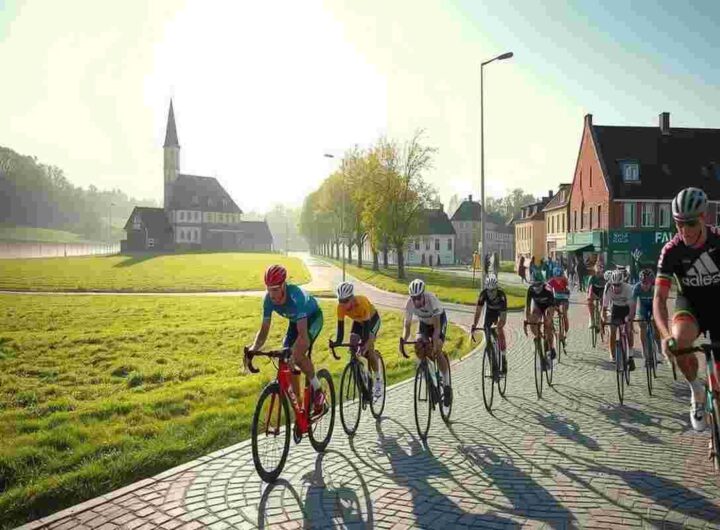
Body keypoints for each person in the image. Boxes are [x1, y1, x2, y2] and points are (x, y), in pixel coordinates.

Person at [655, 187, 720, 432]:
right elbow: (659, 299)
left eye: (690, 223)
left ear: (703, 217)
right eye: (678, 223)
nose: (684, 231)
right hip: (690, 305)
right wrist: (665, 335)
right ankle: (696, 390)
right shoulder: (671, 250)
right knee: (680, 341)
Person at [249, 265, 326, 414]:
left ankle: (318, 389)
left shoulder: (297, 297)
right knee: (284, 358)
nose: (272, 294)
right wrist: (253, 349)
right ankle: (299, 406)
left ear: (284, 285)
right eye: (269, 289)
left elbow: (303, 336)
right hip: (295, 321)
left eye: (276, 289)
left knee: (296, 355)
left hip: (312, 319)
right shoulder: (268, 300)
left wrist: (294, 352)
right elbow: (264, 329)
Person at [401, 278, 452, 406]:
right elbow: (406, 327)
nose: (416, 301)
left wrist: (435, 344)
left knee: (437, 350)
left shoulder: (432, 300)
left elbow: (436, 330)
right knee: (419, 346)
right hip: (423, 324)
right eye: (414, 298)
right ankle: (430, 380)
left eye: (419, 298)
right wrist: (403, 341)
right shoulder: (409, 304)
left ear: (423, 295)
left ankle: (446, 385)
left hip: (438, 322)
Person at [330, 282, 384, 398]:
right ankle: (360, 370)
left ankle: (378, 380)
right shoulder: (340, 308)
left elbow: (366, 331)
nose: (343, 304)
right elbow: (340, 330)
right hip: (358, 322)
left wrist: (364, 345)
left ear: (352, 298)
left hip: (371, 320)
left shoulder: (362, 302)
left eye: (345, 301)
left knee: (368, 348)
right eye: (340, 301)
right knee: (352, 342)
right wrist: (336, 343)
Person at [472, 274, 508, 373]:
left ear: (496, 288)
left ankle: (503, 357)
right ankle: (493, 364)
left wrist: (499, 324)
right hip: (489, 313)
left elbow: (503, 318)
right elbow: (478, 311)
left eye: (493, 290)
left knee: (500, 329)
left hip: (500, 312)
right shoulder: (483, 294)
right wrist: (474, 325)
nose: (490, 293)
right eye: (488, 290)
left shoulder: (501, 295)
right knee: (487, 339)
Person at [601, 269, 636, 367]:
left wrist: (630, 318)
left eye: (618, 285)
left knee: (628, 330)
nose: (616, 287)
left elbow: (632, 306)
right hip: (616, 309)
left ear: (622, 283)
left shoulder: (628, 288)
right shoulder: (608, 287)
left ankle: (631, 355)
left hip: (627, 308)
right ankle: (612, 355)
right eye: (614, 285)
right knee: (612, 331)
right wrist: (603, 319)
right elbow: (604, 307)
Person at [523, 270, 557, 366]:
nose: (536, 288)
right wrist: (527, 320)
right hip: (537, 307)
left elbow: (552, 307)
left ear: (542, 284)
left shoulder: (548, 290)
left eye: (539, 285)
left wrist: (548, 319)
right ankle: (538, 337)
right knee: (532, 320)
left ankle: (551, 347)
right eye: (534, 285)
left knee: (547, 323)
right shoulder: (530, 290)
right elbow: (528, 307)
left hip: (548, 306)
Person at [632, 268, 660, 365]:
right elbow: (633, 305)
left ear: (652, 282)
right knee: (642, 326)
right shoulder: (637, 288)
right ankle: (644, 351)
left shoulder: (656, 288)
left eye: (647, 283)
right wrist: (632, 318)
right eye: (643, 282)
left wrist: (657, 318)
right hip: (642, 308)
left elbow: (660, 305)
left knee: (656, 325)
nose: (645, 285)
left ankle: (659, 348)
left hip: (654, 307)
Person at [547, 266, 570, 336]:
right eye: (557, 277)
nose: (558, 279)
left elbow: (568, 285)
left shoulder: (564, 280)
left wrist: (565, 280)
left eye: (560, 277)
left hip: (564, 299)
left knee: (564, 312)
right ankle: (552, 326)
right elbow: (547, 287)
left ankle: (565, 328)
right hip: (556, 299)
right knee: (550, 311)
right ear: (554, 276)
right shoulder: (552, 281)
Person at [586, 263, 606, 334]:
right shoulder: (592, 278)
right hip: (594, 291)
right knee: (589, 300)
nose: (599, 274)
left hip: (602, 291)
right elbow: (588, 290)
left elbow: (608, 290)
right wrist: (589, 299)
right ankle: (591, 319)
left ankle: (602, 322)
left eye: (601, 272)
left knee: (603, 306)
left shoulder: (605, 277)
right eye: (597, 272)